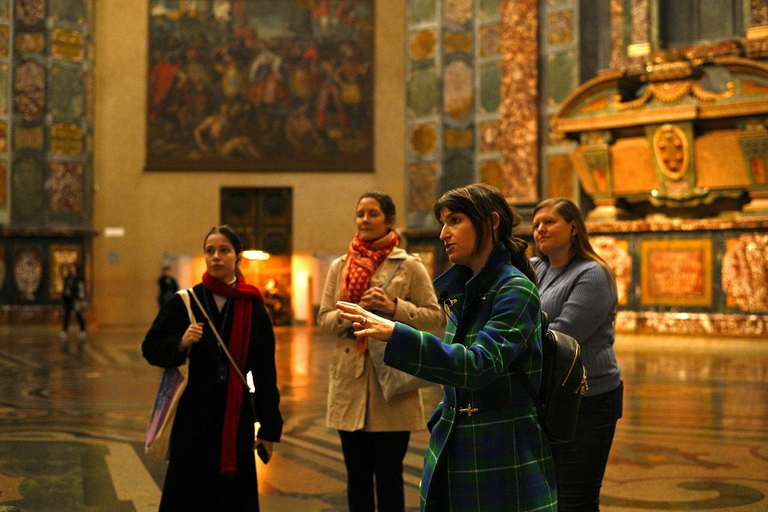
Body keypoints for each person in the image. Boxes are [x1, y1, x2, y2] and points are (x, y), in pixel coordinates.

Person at [336, 184, 557, 511]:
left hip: (502, 448)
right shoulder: (466, 291)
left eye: (454, 221)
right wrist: (444, 417)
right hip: (459, 444)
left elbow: (479, 365)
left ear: (491, 222)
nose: (443, 234)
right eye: (442, 222)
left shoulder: (514, 289)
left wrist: (397, 333)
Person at [317, 191, 444, 512]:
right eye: (360, 214)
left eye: (373, 214)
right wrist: (353, 313)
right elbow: (325, 319)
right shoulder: (340, 266)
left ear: (389, 221)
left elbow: (434, 317)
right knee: (356, 478)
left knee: (389, 478)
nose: (364, 220)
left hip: (393, 382)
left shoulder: (409, 266)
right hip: (351, 383)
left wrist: (393, 307)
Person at [142, 225, 282, 511]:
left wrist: (268, 429)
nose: (216, 257)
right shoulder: (186, 302)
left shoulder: (253, 308)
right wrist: (180, 343)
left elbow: (266, 374)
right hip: (193, 415)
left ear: (236, 257)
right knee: (188, 494)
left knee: (232, 498)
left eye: (223, 250)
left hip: (235, 416)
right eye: (210, 251)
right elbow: (151, 346)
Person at [531, 197, 623, 512]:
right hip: (549, 394)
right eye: (536, 225)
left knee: (577, 498)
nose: (540, 229)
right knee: (551, 494)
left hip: (590, 397)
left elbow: (563, 336)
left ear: (573, 227)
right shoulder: (535, 269)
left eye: (549, 222)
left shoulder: (592, 274)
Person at [59, 263, 87, 344]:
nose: (71, 269)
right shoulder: (68, 278)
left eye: (72, 267)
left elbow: (81, 290)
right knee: (67, 314)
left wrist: (81, 300)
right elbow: (66, 287)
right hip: (68, 299)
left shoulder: (79, 279)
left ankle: (82, 330)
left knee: (78, 314)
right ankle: (64, 330)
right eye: (70, 268)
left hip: (76, 299)